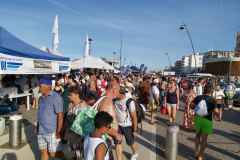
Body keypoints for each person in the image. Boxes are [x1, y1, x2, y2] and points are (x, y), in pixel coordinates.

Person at [34, 78, 70, 160]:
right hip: (41, 130)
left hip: (52, 131)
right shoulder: (42, 97)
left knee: (53, 153)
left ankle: (66, 159)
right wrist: (37, 126)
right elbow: (40, 113)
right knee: (43, 151)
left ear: (48, 86)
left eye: (40, 86)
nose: (38, 88)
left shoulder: (56, 97)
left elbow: (60, 115)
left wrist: (59, 131)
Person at [93, 81, 123, 160]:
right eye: (118, 90)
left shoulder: (105, 98)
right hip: (103, 140)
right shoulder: (106, 100)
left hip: (105, 139)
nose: (119, 93)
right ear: (114, 90)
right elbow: (102, 123)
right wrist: (116, 134)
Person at [190, 84, 219, 160]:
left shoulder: (198, 97)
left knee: (197, 135)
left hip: (197, 118)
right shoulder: (213, 100)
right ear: (211, 91)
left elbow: (191, 106)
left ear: (204, 90)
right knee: (204, 139)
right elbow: (216, 112)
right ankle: (200, 156)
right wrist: (216, 113)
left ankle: (196, 150)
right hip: (207, 120)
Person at [61, 85, 86, 159]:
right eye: (68, 94)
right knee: (73, 151)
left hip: (79, 134)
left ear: (77, 95)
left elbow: (82, 120)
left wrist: (71, 128)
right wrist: (62, 131)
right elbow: (67, 120)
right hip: (71, 133)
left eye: (70, 94)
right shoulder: (70, 105)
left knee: (79, 153)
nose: (68, 96)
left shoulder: (82, 104)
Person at [113, 86, 138, 160]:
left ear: (122, 93)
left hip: (127, 125)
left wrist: (135, 130)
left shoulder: (129, 101)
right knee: (117, 142)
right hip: (117, 125)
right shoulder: (115, 100)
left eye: (117, 92)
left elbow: (134, 117)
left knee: (131, 142)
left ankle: (135, 153)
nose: (115, 94)